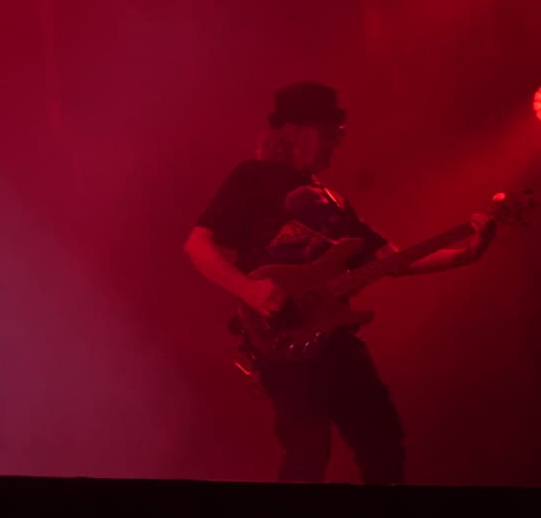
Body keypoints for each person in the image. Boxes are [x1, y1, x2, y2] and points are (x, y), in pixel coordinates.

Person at [183, 82, 496, 484]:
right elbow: (197, 244)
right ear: (294, 131)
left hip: (334, 337)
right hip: (281, 339)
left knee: (382, 442)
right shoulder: (253, 178)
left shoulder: (334, 202)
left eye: (339, 134)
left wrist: (470, 251)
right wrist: (249, 290)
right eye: (330, 132)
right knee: (308, 450)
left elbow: (392, 261)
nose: (336, 143)